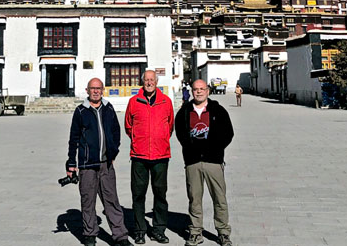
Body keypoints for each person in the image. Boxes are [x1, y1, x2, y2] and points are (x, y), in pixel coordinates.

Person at [66, 78, 132, 246]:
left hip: (106, 164)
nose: (96, 91)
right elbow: (73, 138)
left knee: (112, 200)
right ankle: (89, 234)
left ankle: (120, 236)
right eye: (92, 88)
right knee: (88, 201)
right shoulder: (81, 111)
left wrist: (113, 151)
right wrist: (71, 163)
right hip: (87, 164)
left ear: (103, 90)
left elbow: (116, 131)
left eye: (98, 88)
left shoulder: (108, 108)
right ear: (87, 90)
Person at [174, 80, 234, 246]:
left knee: (219, 198)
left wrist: (215, 149)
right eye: (196, 89)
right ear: (192, 91)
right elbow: (180, 133)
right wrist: (190, 148)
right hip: (193, 162)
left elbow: (228, 133)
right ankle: (195, 232)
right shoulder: (185, 111)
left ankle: (223, 232)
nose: (199, 92)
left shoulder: (218, 110)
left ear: (207, 91)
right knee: (194, 199)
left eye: (202, 89)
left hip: (213, 161)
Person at [124, 70, 174, 244]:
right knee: (138, 194)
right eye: (146, 80)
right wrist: (139, 140)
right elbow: (128, 126)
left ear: (156, 82)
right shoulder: (134, 102)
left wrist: (160, 139)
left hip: (161, 155)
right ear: (142, 82)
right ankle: (139, 230)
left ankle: (159, 230)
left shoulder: (166, 101)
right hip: (139, 155)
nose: (149, 82)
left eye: (152, 79)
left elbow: (170, 126)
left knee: (160, 194)